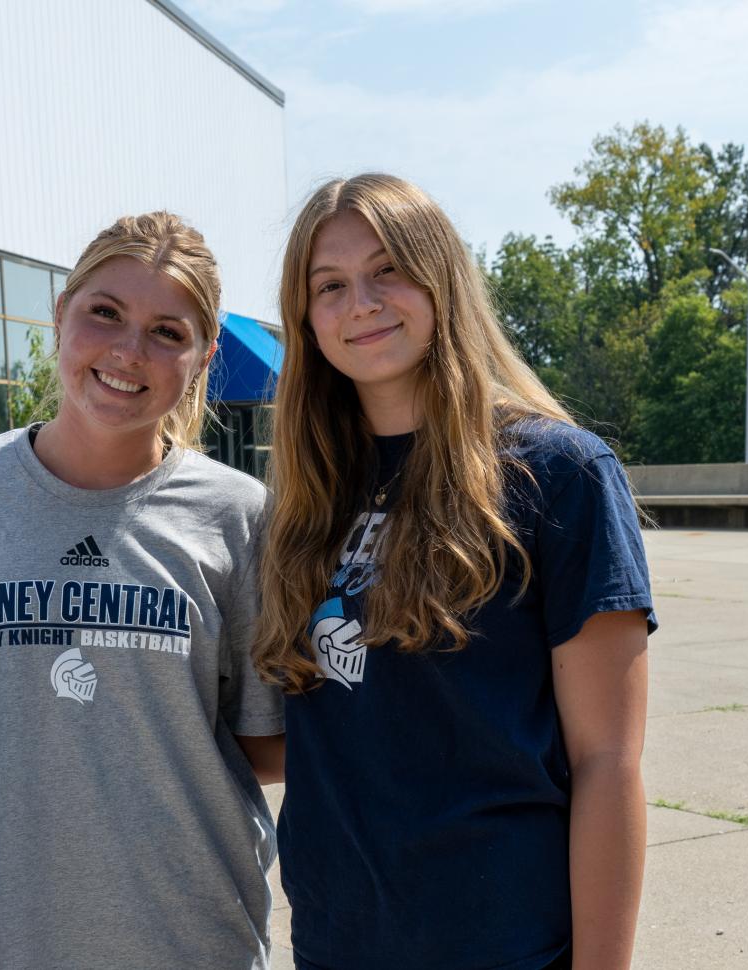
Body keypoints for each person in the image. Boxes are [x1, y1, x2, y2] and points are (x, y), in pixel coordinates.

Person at [255, 174, 655, 970]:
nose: (360, 302)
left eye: (388, 270)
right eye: (329, 285)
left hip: (502, 944)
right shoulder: (307, 498)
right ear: (305, 319)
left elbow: (608, 762)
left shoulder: (558, 472)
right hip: (337, 943)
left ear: (442, 279)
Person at [0, 212, 286, 970]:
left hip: (196, 936)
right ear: (61, 314)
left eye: (167, 332)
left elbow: (263, 742)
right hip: (16, 937)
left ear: (204, 355)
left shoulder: (239, 514)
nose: (127, 352)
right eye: (104, 314)